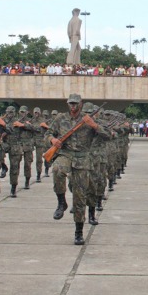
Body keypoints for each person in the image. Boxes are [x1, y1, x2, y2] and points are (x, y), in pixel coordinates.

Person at [44, 93, 110, 245]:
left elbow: (108, 135)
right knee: (57, 170)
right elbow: (48, 133)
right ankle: (61, 202)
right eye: (71, 104)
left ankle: (78, 232)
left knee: (80, 197)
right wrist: (53, 140)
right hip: (65, 154)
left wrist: (93, 125)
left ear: (80, 104)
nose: (73, 106)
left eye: (75, 104)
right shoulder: (60, 119)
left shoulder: (89, 120)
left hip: (82, 158)